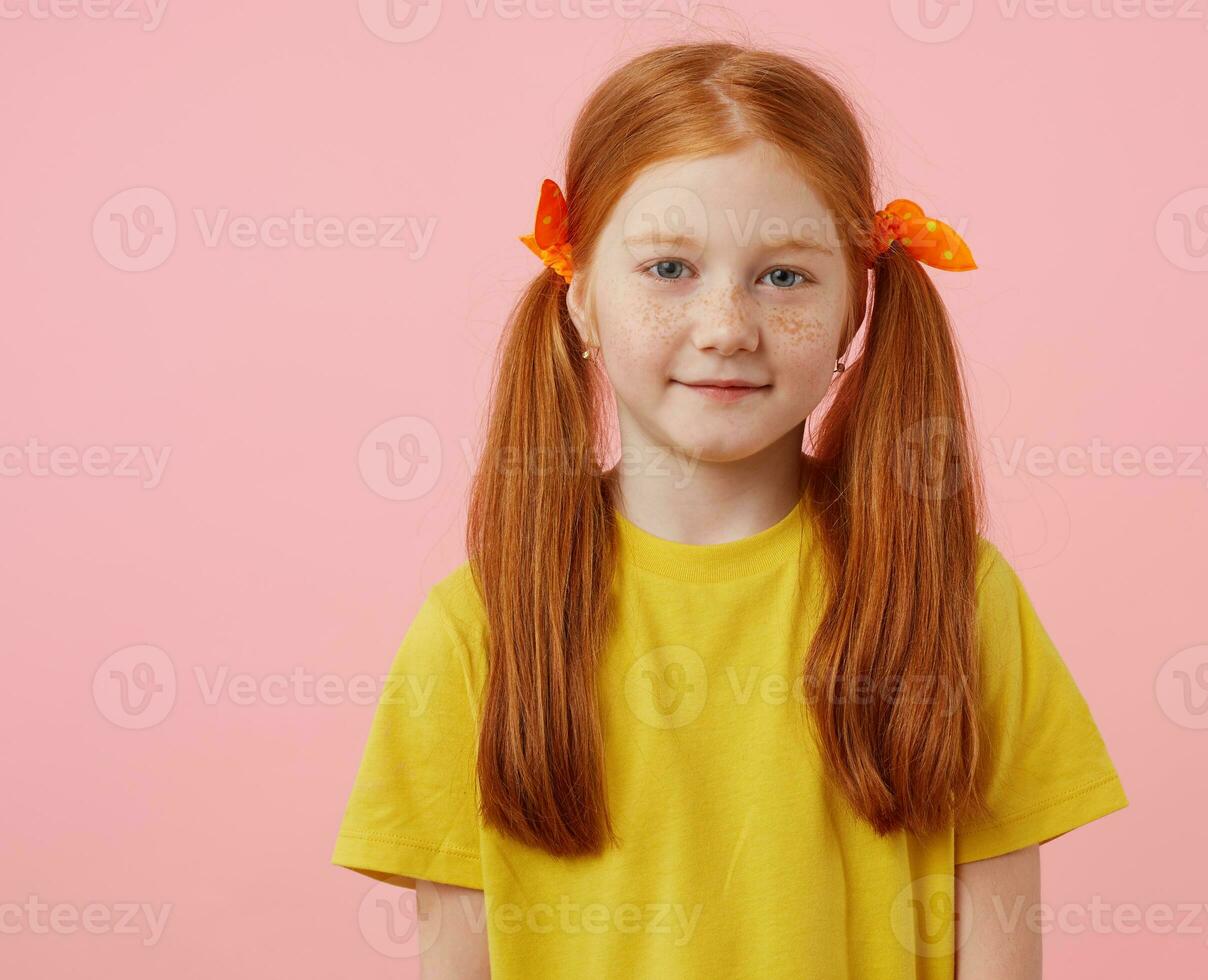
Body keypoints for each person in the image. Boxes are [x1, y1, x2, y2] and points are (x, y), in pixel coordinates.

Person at [331, 39, 1127, 979]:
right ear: (581, 295)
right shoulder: (478, 629)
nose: (726, 327)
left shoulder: (954, 598)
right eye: (669, 269)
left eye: (784, 276)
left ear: (852, 311)